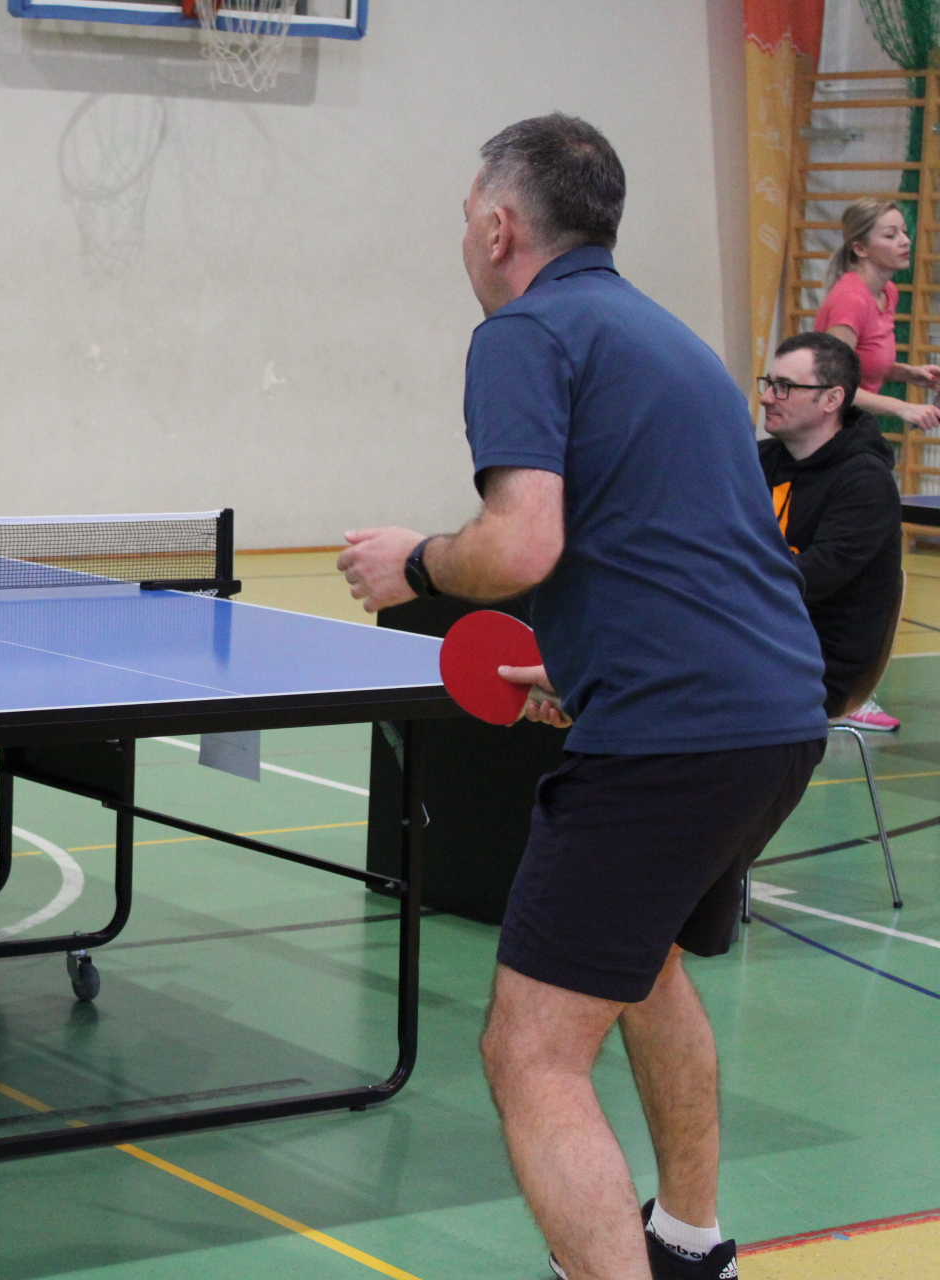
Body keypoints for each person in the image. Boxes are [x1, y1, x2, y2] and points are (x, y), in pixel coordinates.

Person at [338, 115, 828, 1280]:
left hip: (667, 741)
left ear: (501, 226)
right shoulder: (673, 341)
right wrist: (589, 664)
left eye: (468, 213)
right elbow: (688, 546)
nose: (466, 233)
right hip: (775, 716)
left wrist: (415, 563)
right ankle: (691, 1244)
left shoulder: (524, 332)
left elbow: (521, 542)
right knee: (645, 967)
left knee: (532, 1053)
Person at [811, 197, 932, 729]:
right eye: (890, 234)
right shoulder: (849, 299)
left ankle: (845, 687)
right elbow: (833, 383)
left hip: (860, 439)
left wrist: (908, 373)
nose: (904, 241)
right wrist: (901, 407)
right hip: (835, 442)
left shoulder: (887, 292)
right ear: (860, 247)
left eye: (903, 231)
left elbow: (868, 361)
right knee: (853, 570)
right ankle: (842, 692)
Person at [757, 331, 903, 722]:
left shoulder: (865, 482)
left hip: (815, 666)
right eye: (769, 383)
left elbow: (810, 578)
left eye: (785, 386)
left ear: (832, 399)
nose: (767, 397)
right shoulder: (760, 461)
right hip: (757, 638)